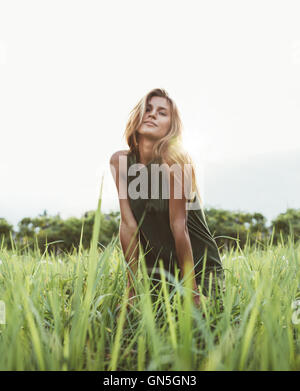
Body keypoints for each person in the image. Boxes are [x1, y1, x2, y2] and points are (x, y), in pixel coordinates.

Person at [109, 88, 224, 309]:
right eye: (148, 109)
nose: (152, 114)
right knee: (148, 325)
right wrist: (132, 290)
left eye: (162, 112)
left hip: (198, 265)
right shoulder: (120, 162)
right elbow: (128, 225)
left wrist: (193, 291)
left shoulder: (175, 160)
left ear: (170, 127)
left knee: (201, 326)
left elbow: (179, 226)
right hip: (159, 269)